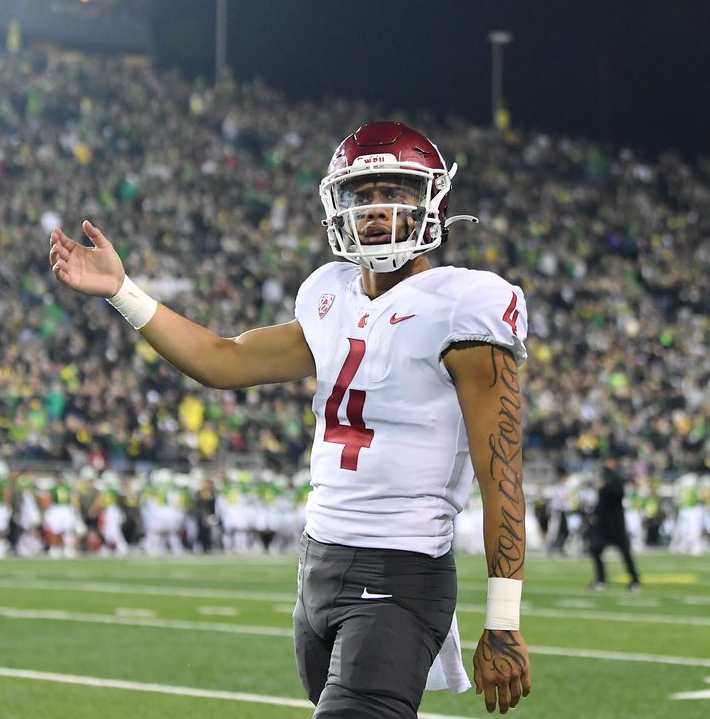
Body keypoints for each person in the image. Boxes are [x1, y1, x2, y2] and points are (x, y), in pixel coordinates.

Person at [50, 121, 532, 716]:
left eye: (393, 193)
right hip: (318, 565)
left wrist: (503, 620)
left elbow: (500, 471)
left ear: (432, 202)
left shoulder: (466, 304)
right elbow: (223, 360)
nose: (376, 210)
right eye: (361, 195)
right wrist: (123, 291)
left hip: (400, 570)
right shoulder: (328, 294)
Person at [587, 456, 642, 591]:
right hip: (604, 524)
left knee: (625, 554)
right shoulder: (606, 480)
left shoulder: (615, 480)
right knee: (596, 551)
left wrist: (604, 487)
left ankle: (634, 580)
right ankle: (601, 580)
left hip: (616, 524)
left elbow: (617, 493)